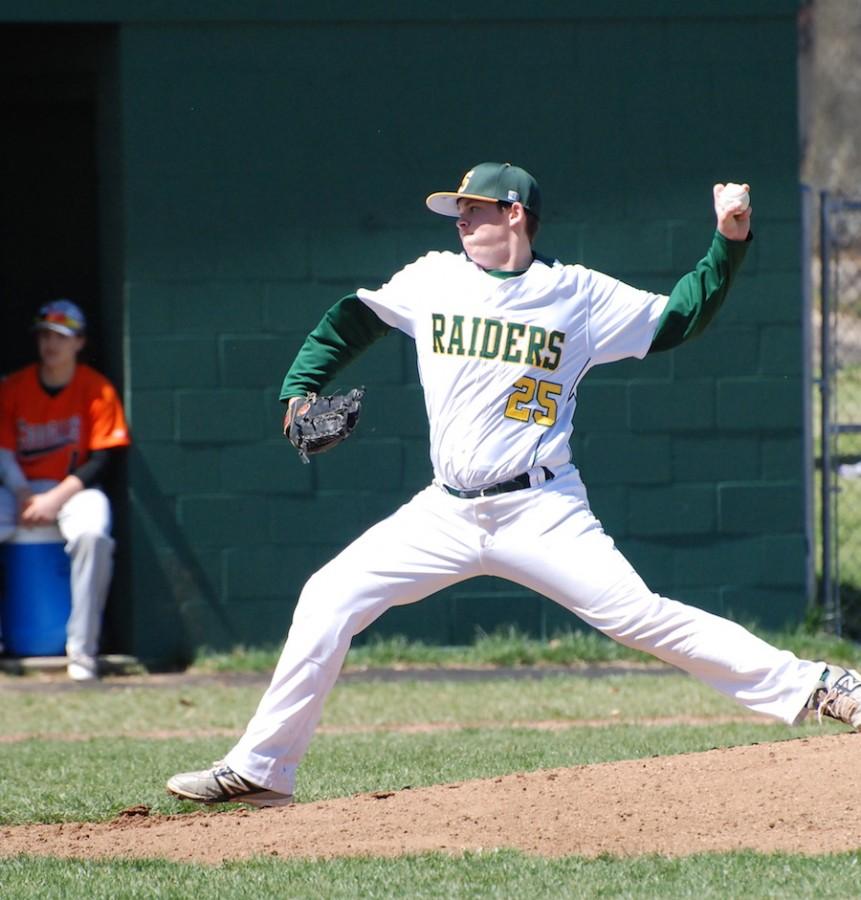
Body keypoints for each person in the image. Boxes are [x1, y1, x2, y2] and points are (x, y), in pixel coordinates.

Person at [168, 162, 861, 808]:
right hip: (443, 511)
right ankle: (262, 770)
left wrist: (727, 241)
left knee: (638, 617)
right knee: (329, 595)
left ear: (515, 213)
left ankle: (819, 686)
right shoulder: (432, 277)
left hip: (539, 505)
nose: (460, 221)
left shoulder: (577, 294)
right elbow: (351, 318)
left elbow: (678, 318)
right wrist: (299, 392)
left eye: (473, 209)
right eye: (456, 211)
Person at [0, 299, 131, 681]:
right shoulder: (15, 387)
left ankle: (83, 652)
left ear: (79, 342)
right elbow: (4, 452)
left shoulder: (96, 389)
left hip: (73, 490)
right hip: (19, 488)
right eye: (44, 335)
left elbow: (103, 459)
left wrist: (53, 499)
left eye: (60, 336)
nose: (50, 344)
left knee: (93, 532)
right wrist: (25, 494)